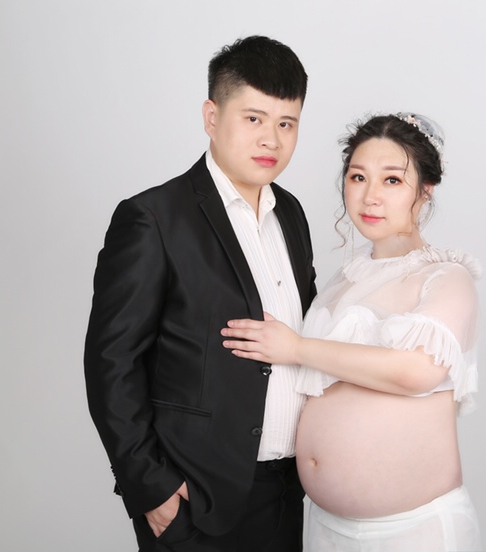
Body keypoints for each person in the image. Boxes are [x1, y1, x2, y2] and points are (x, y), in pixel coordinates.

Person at [84, 35, 316, 551]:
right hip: (194, 499)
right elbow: (111, 363)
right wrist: (152, 488)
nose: (271, 140)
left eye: (287, 123)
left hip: (287, 493)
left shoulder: (291, 214)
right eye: (253, 118)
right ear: (212, 117)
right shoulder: (153, 218)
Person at [221, 113, 483, 551]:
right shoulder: (342, 281)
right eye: (358, 177)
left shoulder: (446, 277)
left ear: (426, 189)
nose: (370, 196)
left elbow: (416, 371)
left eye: (392, 180)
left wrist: (297, 348)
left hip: (412, 531)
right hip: (325, 526)